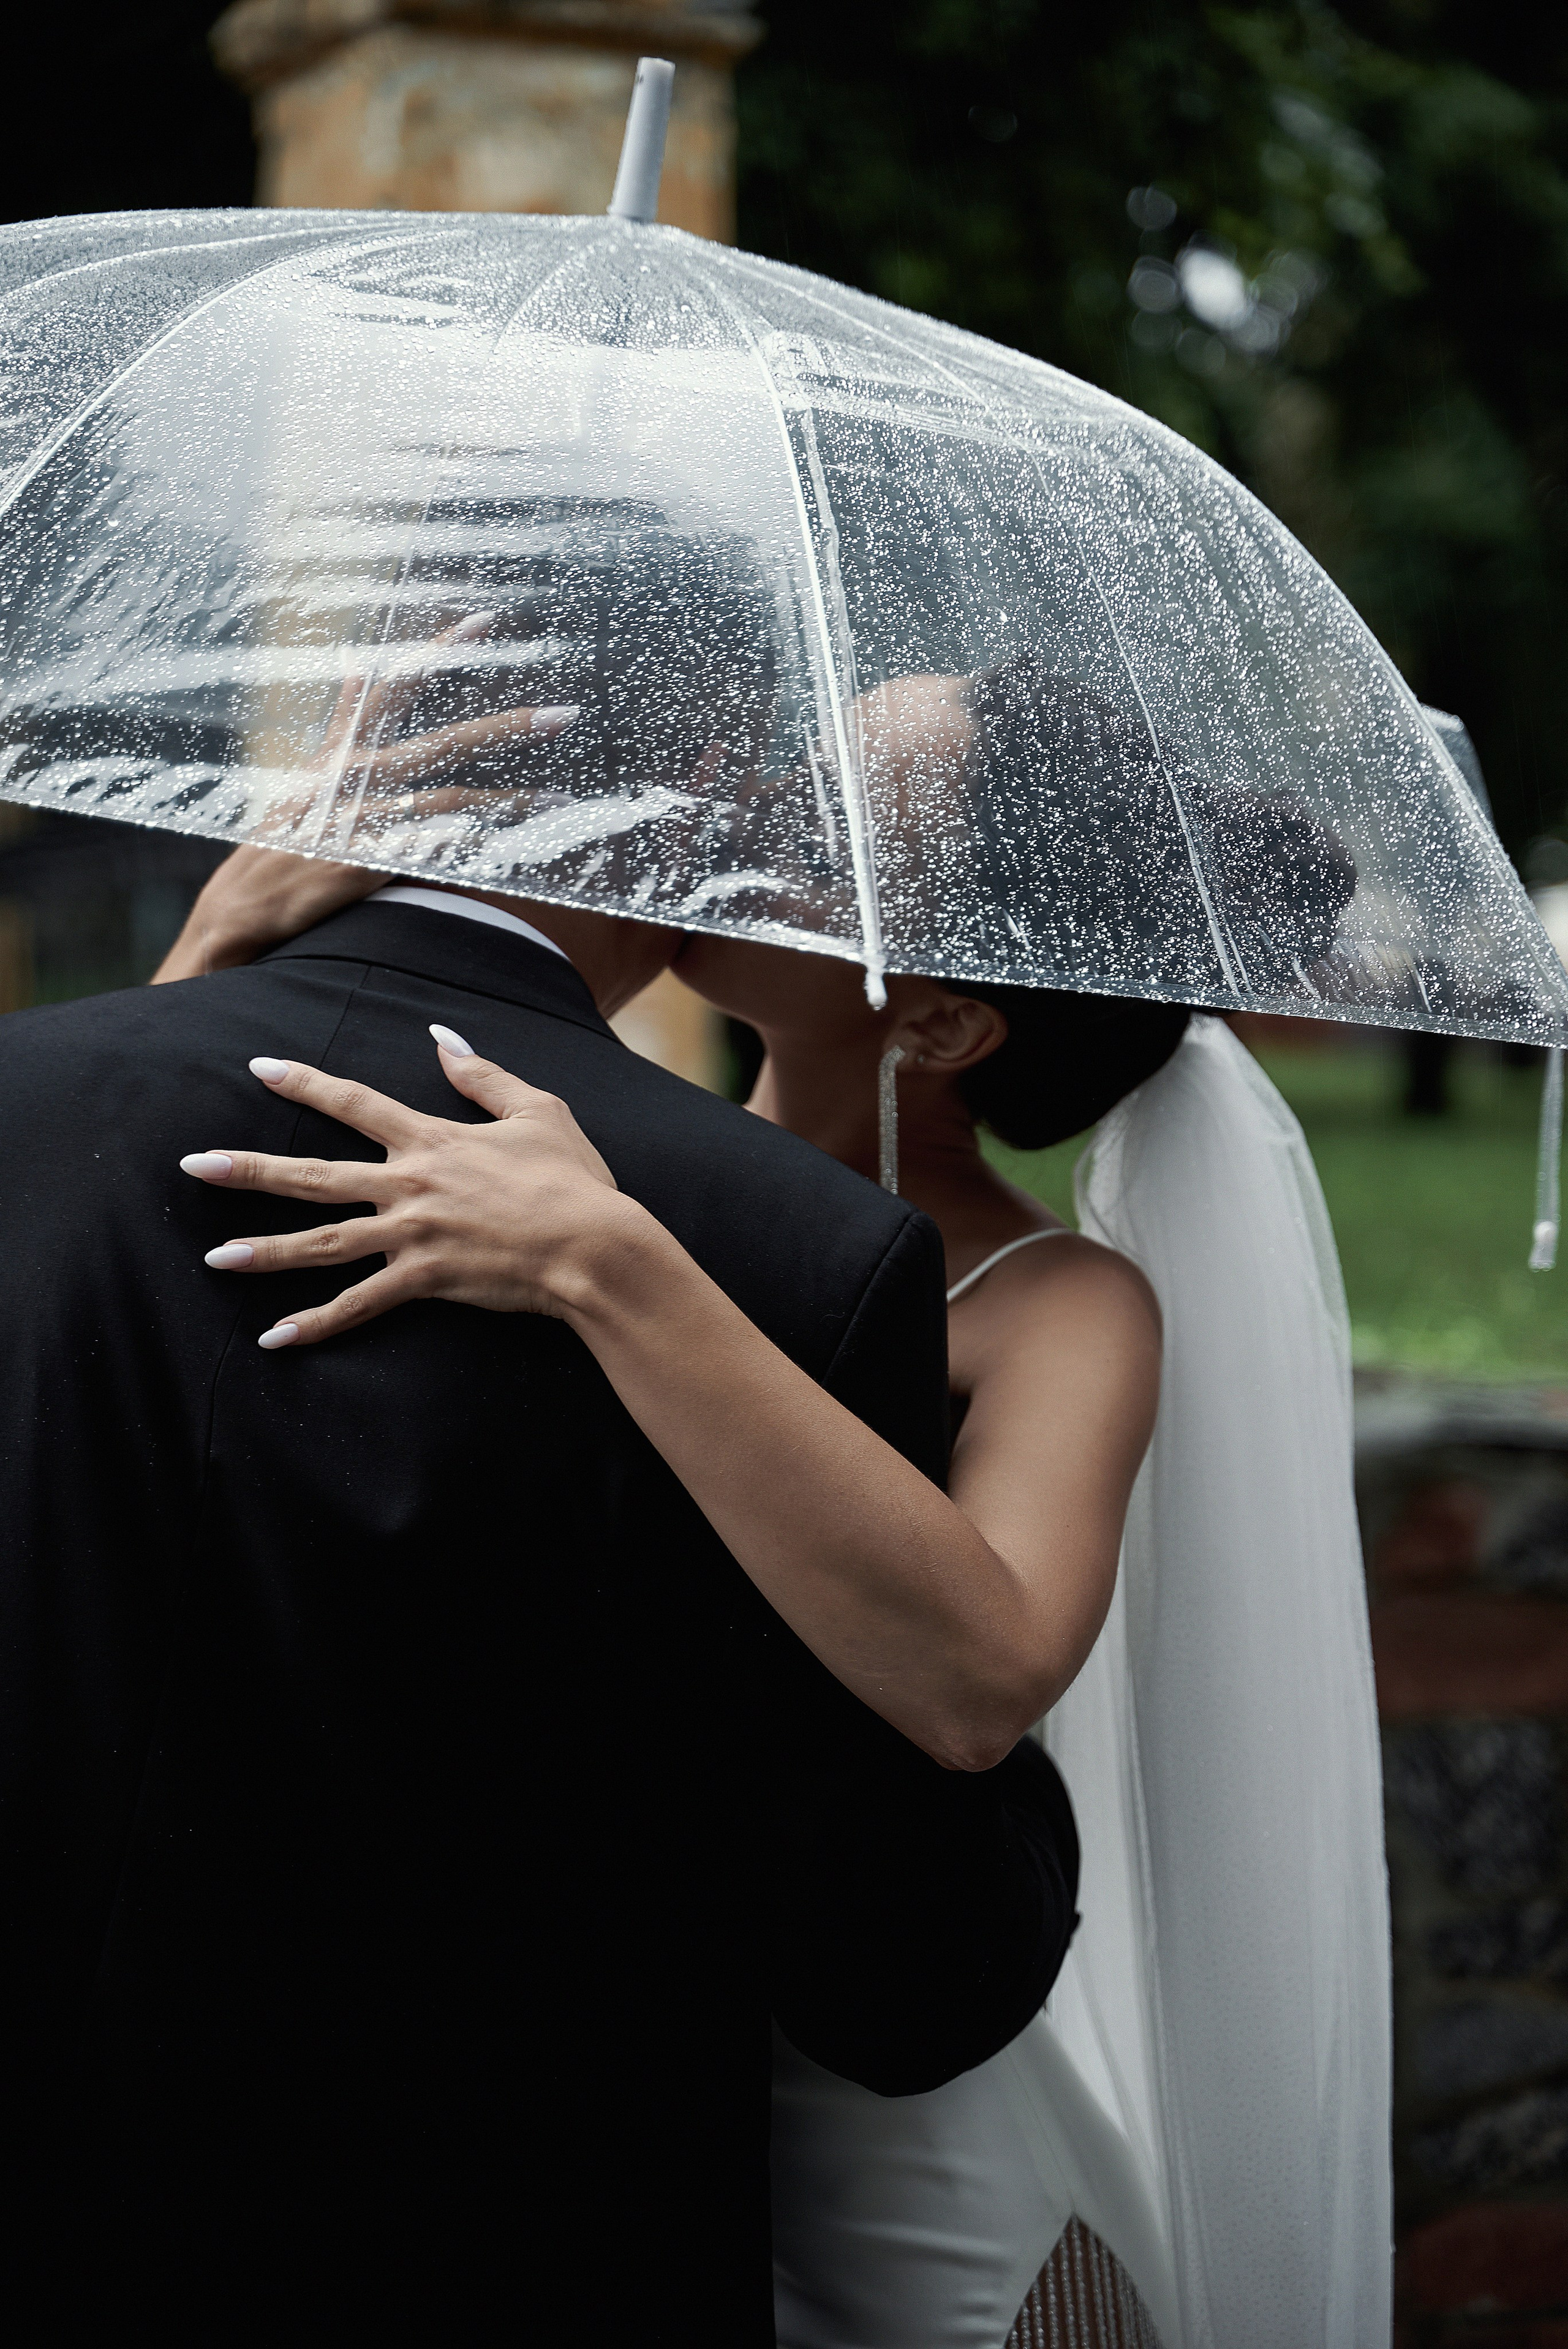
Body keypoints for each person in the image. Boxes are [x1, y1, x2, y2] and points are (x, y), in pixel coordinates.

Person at [160, 657, 1389, 2349]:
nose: (747, 810)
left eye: (832, 823)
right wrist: (216, 955)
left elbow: (979, 1675)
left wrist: (609, 1267)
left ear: (945, 1022)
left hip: (903, 2097)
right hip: (587, 2063)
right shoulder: (543, 1150)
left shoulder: (1052, 1305)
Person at [0, 706, 1084, 2338]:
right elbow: (909, 1957)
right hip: (513, 2240)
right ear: (698, 784)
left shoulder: (29, 1106)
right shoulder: (793, 1244)